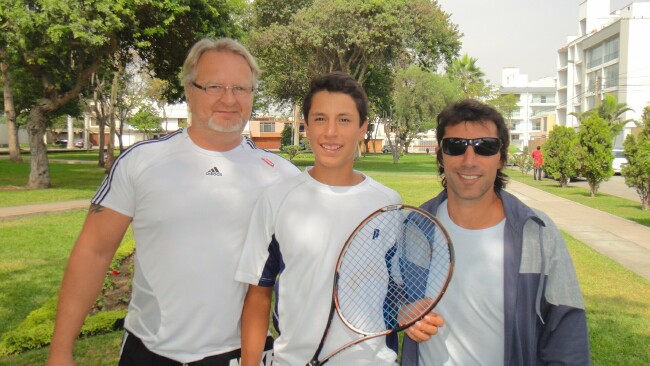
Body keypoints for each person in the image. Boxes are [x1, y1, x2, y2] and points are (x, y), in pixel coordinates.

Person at [46, 38, 300, 366]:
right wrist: (60, 350)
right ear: (189, 90)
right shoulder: (142, 161)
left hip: (240, 355)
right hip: (148, 352)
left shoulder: (282, 175)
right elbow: (94, 253)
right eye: (214, 86)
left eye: (241, 88)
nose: (229, 99)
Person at [234, 72, 443, 366]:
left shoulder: (388, 203)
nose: (331, 132)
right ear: (306, 126)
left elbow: (392, 289)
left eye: (344, 120)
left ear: (362, 128)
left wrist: (406, 313)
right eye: (320, 119)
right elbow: (258, 294)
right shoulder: (276, 199)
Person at [401, 99, 591, 365]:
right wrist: (404, 312)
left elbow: (567, 334)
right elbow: (392, 294)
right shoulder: (416, 227)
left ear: (501, 157)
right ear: (440, 155)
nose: (469, 160)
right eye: (455, 146)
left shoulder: (536, 233)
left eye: (484, 147)